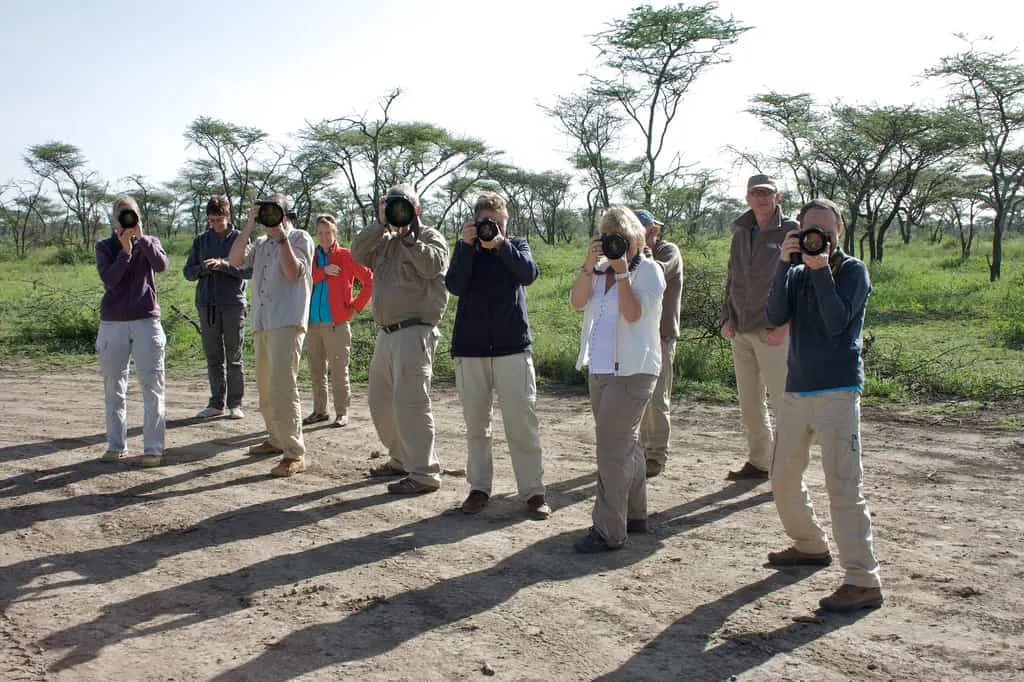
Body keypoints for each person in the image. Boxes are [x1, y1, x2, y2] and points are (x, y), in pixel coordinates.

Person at [765, 197, 883, 613]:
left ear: (839, 233)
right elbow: (774, 315)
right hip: (797, 389)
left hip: (837, 391)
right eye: (808, 232)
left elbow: (836, 323)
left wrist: (819, 273)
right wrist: (784, 263)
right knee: (781, 477)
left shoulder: (853, 271)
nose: (817, 240)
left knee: (843, 487)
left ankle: (862, 579)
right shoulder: (795, 272)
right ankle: (810, 545)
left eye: (825, 233)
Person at [445, 191, 550, 519]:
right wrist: (465, 247)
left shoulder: (516, 245)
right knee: (477, 426)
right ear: (475, 223)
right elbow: (454, 285)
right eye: (486, 223)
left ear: (506, 223)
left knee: (521, 423)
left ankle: (534, 492)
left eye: (498, 223)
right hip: (471, 350)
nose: (492, 228)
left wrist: (501, 245)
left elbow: (528, 274)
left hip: (512, 349)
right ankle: (478, 488)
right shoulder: (466, 249)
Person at [569, 206, 666, 552]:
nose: (614, 245)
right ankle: (635, 514)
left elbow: (634, 314)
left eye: (620, 238)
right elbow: (576, 303)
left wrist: (624, 274)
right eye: (608, 238)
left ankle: (609, 530)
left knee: (610, 446)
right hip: (601, 368)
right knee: (625, 442)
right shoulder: (596, 271)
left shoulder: (650, 271)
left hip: (634, 370)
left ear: (636, 239)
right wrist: (587, 264)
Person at [351, 184, 449, 495]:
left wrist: (410, 236)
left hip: (415, 331)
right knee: (380, 402)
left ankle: (424, 473)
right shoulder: (384, 240)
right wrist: (380, 223)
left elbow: (432, 266)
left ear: (417, 210)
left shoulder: (431, 237)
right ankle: (401, 457)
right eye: (393, 205)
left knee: (412, 404)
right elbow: (357, 253)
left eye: (404, 205)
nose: (398, 211)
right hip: (386, 333)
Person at [227, 193, 314, 477]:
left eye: (274, 211)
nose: (270, 217)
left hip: (287, 322)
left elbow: (293, 274)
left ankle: (294, 452)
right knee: (265, 388)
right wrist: (250, 224)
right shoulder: (261, 244)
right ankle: (276, 438)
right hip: (263, 322)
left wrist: (282, 238)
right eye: (265, 211)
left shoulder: (300, 238)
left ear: (287, 214)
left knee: (282, 386)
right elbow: (235, 259)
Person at [720, 174, 797, 481]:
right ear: (747, 197)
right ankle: (760, 462)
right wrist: (726, 317)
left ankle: (788, 468)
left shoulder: (792, 230)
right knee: (750, 402)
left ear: (777, 197)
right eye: (756, 193)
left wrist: (787, 325)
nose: (762, 198)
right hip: (740, 328)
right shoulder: (741, 231)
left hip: (774, 330)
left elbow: (802, 282)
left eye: (767, 192)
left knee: (783, 402)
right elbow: (732, 275)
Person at [95, 196, 170, 467]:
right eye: (121, 214)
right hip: (112, 323)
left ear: (139, 216)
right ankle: (116, 445)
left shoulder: (151, 242)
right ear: (114, 219)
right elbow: (109, 280)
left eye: (131, 214)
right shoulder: (105, 247)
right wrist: (125, 251)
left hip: (146, 321)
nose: (126, 218)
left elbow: (162, 266)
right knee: (113, 387)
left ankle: (153, 448)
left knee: (153, 386)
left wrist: (142, 240)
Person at [183, 195, 252, 420]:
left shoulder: (240, 239)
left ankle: (235, 404)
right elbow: (188, 272)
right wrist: (204, 267)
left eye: (218, 220)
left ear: (227, 216)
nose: (214, 224)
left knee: (234, 356)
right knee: (213, 357)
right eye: (211, 220)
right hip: (207, 304)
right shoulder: (201, 240)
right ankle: (216, 403)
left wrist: (224, 265)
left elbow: (248, 271)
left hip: (233, 304)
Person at [302, 214, 374, 428]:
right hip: (313, 324)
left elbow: (370, 281)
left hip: (337, 324)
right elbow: (301, 279)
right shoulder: (311, 256)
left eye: (329, 232)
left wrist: (354, 307)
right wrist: (322, 272)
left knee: (339, 370)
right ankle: (320, 411)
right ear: (316, 234)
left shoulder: (345, 256)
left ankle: (342, 412)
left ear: (336, 233)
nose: (325, 236)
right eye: (321, 232)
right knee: (316, 370)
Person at [633, 209, 683, 478]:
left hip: (660, 335)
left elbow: (658, 275)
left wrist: (640, 253)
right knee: (636, 395)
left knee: (657, 399)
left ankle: (656, 454)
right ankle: (639, 451)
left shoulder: (668, 251)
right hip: (636, 334)